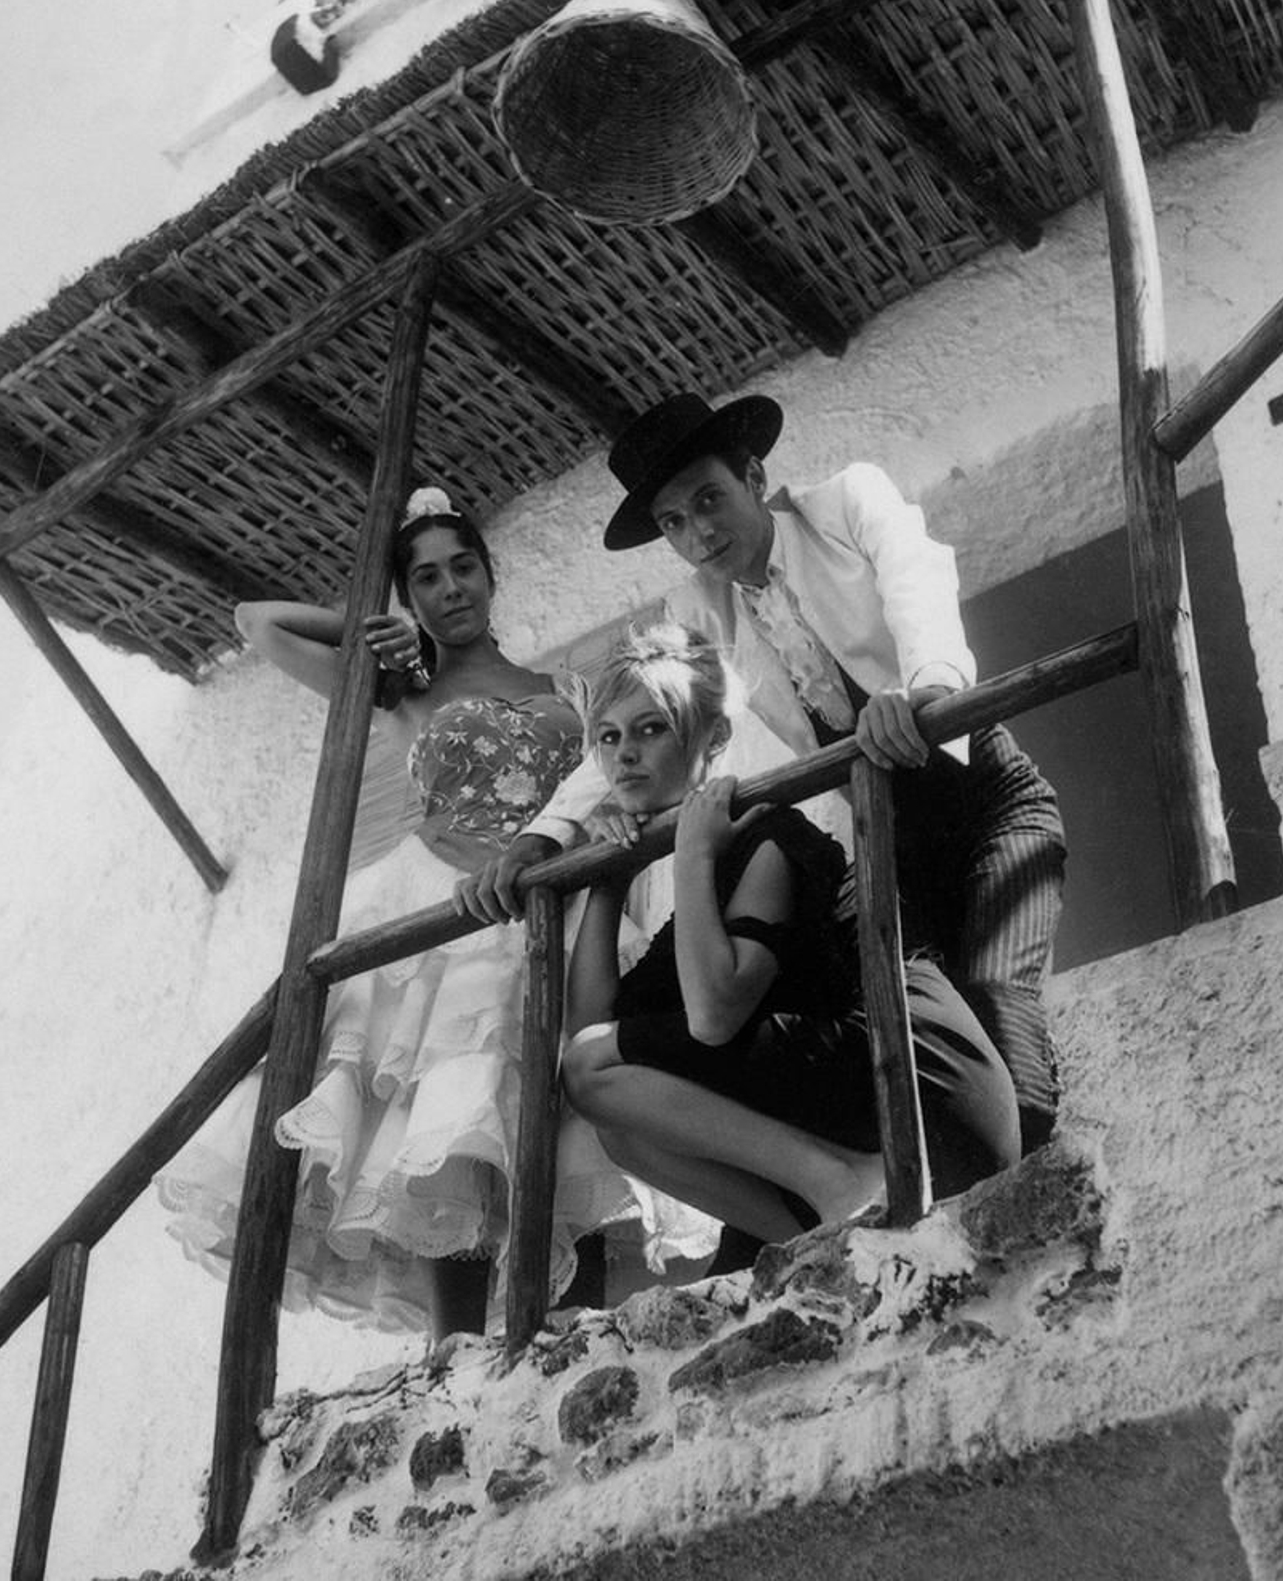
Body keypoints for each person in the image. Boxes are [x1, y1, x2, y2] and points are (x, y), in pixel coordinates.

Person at [157, 489, 713, 1340]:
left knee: (567, 1119)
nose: (450, 589)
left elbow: (614, 775)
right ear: (407, 597)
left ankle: (578, 1335)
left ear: (491, 577)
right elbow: (256, 621)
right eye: (425, 579)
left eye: (462, 568)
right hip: (445, 907)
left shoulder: (563, 687)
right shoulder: (395, 689)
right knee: (446, 1126)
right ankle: (452, 1351)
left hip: (550, 907)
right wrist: (370, 629)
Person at [458, 394, 1067, 1157]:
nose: (699, 532)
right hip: (891, 843)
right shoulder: (699, 607)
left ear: (753, 476)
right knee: (928, 1042)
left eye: (709, 499)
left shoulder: (846, 502)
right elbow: (639, 709)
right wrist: (545, 835)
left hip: (988, 802)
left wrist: (928, 691)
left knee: (1001, 1014)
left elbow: (919, 579)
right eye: (674, 521)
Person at [560, 623, 1020, 1239]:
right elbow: (590, 1035)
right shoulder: (703, 884)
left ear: (715, 736)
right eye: (609, 737)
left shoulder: (770, 832)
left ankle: (841, 1183)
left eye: (651, 728)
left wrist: (692, 854)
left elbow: (714, 1017)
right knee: (619, 1124)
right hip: (863, 1107)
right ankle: (809, 1241)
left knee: (596, 1064)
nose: (625, 754)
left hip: (920, 1084)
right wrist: (610, 880)